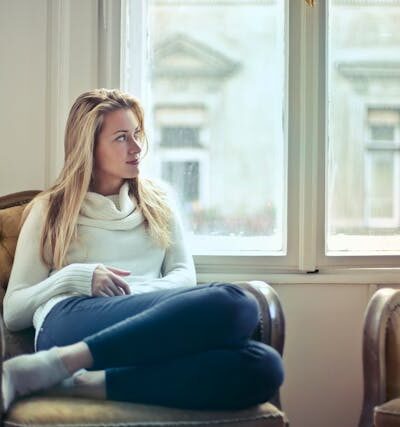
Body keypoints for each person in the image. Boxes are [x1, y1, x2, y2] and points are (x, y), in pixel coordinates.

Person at [2, 88, 284, 412]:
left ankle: (77, 381)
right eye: (121, 137)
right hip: (70, 320)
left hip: (147, 321)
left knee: (263, 365)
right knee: (235, 303)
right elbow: (14, 310)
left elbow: (183, 276)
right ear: (88, 148)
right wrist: (75, 277)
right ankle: (61, 359)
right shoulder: (50, 210)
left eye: (136, 134)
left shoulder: (159, 201)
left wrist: (134, 293)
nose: (136, 148)